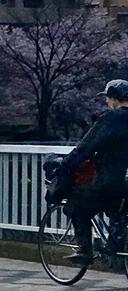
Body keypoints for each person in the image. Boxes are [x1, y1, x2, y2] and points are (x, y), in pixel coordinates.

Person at [50, 79, 128, 264]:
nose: (107, 103)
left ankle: (85, 251)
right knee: (117, 208)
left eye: (108, 99)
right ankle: (117, 236)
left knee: (78, 206)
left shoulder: (111, 119)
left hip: (113, 180)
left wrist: (64, 166)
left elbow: (85, 148)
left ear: (114, 98)